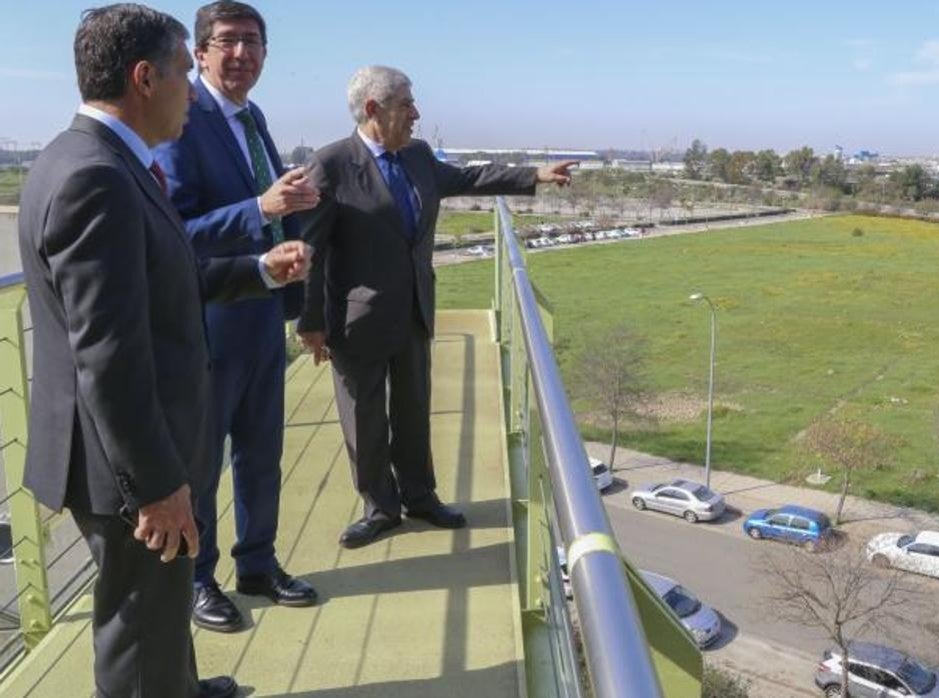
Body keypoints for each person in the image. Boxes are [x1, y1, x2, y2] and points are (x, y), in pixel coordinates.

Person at [17, 5, 309, 696]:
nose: (192, 85)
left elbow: (154, 283)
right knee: (137, 620)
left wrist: (259, 272)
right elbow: (108, 354)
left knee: (160, 602)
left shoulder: (92, 157)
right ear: (145, 78)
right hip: (125, 461)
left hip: (130, 444)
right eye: (185, 68)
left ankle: (179, 685)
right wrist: (153, 486)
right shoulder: (99, 180)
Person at [296, 66, 574, 548]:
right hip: (356, 320)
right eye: (406, 105)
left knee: (412, 409)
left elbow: (469, 177)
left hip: (414, 310)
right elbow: (311, 251)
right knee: (364, 418)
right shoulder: (332, 164)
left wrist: (534, 175)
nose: (416, 114)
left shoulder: (419, 155)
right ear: (373, 109)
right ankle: (380, 508)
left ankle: (420, 497)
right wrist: (311, 323)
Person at [154, 0, 318, 634]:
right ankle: (198, 580)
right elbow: (175, 235)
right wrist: (260, 205)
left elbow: (271, 208)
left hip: (262, 316)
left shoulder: (254, 118)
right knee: (201, 463)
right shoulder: (181, 120)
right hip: (208, 321)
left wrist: (291, 219)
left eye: (253, 42)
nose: (242, 54)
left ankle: (257, 563)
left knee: (260, 453)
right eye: (228, 42)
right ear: (199, 53)